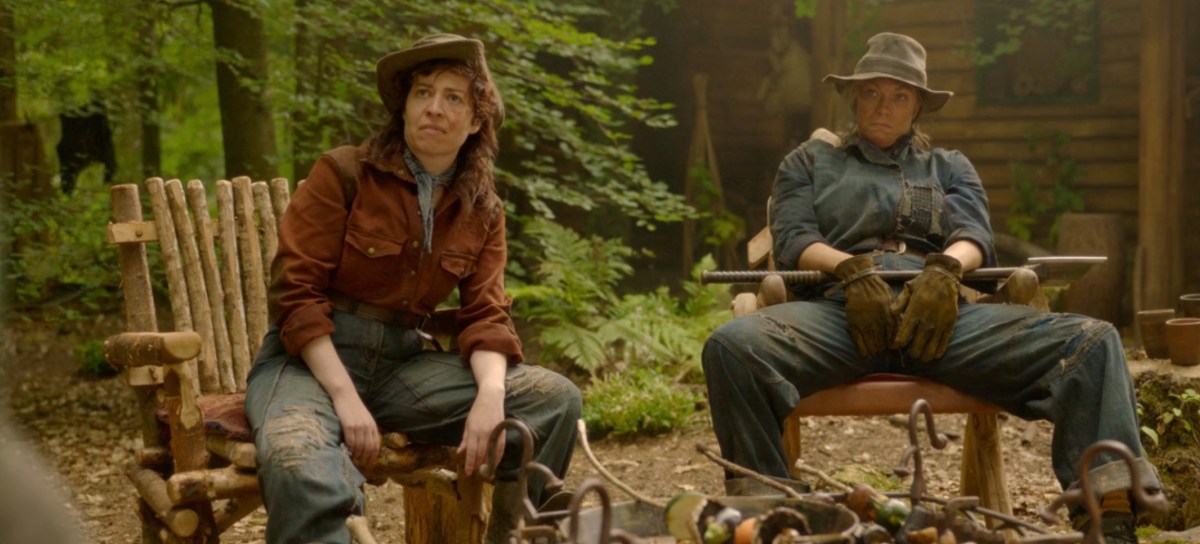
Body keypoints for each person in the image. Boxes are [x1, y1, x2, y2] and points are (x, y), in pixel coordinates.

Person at [702, 32, 1160, 543]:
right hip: (839, 314)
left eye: (899, 95)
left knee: (1093, 344)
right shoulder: (807, 163)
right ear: (854, 97)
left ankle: (1111, 517)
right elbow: (793, 239)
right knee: (731, 349)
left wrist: (945, 272)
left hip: (940, 318)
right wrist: (852, 271)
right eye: (872, 92)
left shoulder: (949, 166)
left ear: (917, 106)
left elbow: (974, 236)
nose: (884, 106)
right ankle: (772, 517)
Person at [245, 33, 582, 544]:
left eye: (453, 98)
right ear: (402, 106)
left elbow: (486, 314)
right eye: (423, 92)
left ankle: (517, 539)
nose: (435, 108)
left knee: (553, 399)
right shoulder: (343, 172)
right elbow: (295, 295)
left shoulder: (482, 210)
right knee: (298, 462)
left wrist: (491, 395)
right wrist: (344, 398)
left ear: (475, 122)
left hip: (403, 368)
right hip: (309, 366)